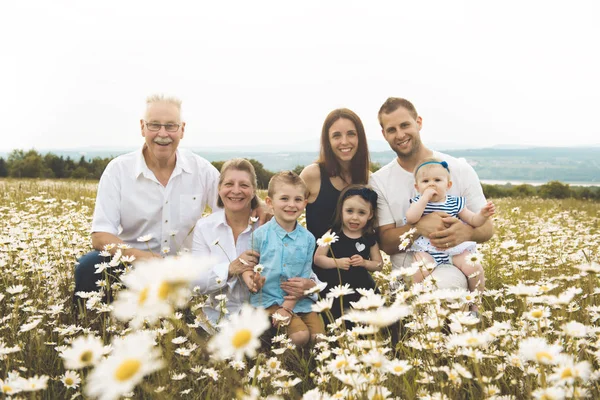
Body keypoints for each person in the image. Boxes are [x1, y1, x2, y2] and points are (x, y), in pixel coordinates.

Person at [74, 94, 220, 299]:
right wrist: (145, 259)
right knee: (89, 266)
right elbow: (100, 236)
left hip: (186, 271)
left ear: (182, 130)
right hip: (132, 265)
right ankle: (92, 323)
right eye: (154, 125)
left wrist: (257, 205)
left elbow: (232, 210)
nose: (163, 133)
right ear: (142, 127)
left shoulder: (202, 170)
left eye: (171, 126)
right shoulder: (118, 170)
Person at [369, 97, 494, 287]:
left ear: (418, 123)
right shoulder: (379, 181)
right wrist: (418, 228)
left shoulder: (459, 169)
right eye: (392, 130)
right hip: (407, 272)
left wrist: (465, 232)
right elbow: (386, 243)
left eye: (405, 125)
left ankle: (473, 312)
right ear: (384, 134)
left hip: (453, 266)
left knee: (445, 286)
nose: (400, 134)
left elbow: (487, 229)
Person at [192, 160, 317, 333]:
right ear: (219, 188)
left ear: (253, 192)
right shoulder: (205, 227)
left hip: (265, 322)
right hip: (216, 322)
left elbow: (300, 267)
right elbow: (195, 283)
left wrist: (311, 285)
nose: (236, 191)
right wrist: (230, 269)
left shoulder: (271, 224)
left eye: (244, 185)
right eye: (229, 184)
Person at [242, 171, 325, 345]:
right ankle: (283, 361)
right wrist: (250, 280)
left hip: (299, 300)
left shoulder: (309, 239)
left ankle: (311, 367)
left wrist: (288, 307)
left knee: (320, 339)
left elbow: (303, 276)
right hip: (268, 300)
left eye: (297, 199)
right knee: (300, 336)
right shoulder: (259, 235)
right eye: (284, 199)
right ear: (270, 203)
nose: (291, 205)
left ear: (305, 203)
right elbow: (248, 266)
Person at [405, 158, 495, 309]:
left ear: (448, 185)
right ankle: (414, 304)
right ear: (417, 186)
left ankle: (476, 304)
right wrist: (424, 198)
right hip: (428, 249)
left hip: (455, 249)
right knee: (417, 270)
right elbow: (411, 218)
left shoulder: (455, 202)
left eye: (437, 180)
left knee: (475, 268)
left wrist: (483, 215)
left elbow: (473, 220)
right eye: (425, 181)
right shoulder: (418, 203)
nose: (431, 184)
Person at [313, 185, 383, 325]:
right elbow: (318, 259)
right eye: (349, 211)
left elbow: (379, 264)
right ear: (341, 211)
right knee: (338, 321)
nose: (354, 218)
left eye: (361, 213)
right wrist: (336, 262)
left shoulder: (369, 237)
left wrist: (364, 262)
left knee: (369, 319)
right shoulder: (332, 233)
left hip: (362, 286)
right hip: (335, 286)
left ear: (370, 215)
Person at [300, 108, 371, 243]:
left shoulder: (369, 179)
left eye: (351, 134)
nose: (344, 141)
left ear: (360, 138)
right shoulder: (312, 175)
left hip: (360, 263)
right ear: (328, 141)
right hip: (315, 263)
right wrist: (259, 205)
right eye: (336, 136)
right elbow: (284, 205)